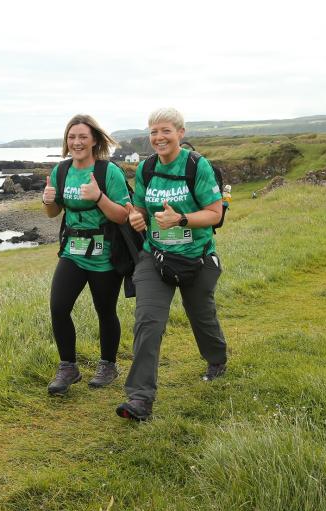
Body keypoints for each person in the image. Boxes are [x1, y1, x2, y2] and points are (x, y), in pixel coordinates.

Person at [116, 108, 227, 421]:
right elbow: (137, 210)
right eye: (153, 132)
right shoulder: (147, 168)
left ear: (181, 132)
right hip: (156, 256)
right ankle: (140, 399)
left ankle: (217, 358)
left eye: (165, 130)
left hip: (197, 257)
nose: (158, 138)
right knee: (148, 321)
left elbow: (215, 213)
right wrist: (136, 217)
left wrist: (180, 218)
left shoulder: (197, 166)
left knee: (201, 316)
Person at [42, 114, 132, 394]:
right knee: (59, 307)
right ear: (66, 142)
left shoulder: (109, 172)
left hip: (104, 254)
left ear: (94, 140)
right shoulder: (61, 171)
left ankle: (108, 365)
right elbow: (54, 212)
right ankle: (68, 367)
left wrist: (98, 197)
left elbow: (123, 216)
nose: (76, 142)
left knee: (105, 311)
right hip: (72, 251)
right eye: (71, 137)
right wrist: (47, 202)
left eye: (82, 137)